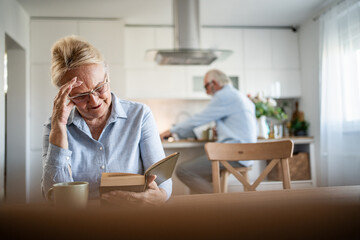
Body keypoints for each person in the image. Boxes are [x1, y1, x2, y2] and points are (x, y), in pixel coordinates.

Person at [42, 36, 170, 206]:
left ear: (107, 76)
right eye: (80, 95)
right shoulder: (54, 127)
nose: (94, 101)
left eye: (100, 88)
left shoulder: (140, 115)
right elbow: (54, 197)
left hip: (133, 216)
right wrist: (59, 128)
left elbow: (162, 180)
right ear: (66, 95)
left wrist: (159, 196)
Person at [160, 69, 257, 193]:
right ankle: (203, 209)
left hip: (234, 153)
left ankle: (217, 204)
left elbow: (198, 119)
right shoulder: (239, 95)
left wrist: (170, 131)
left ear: (214, 83)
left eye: (206, 86)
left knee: (184, 170)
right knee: (200, 175)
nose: (206, 91)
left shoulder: (223, 96)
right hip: (246, 154)